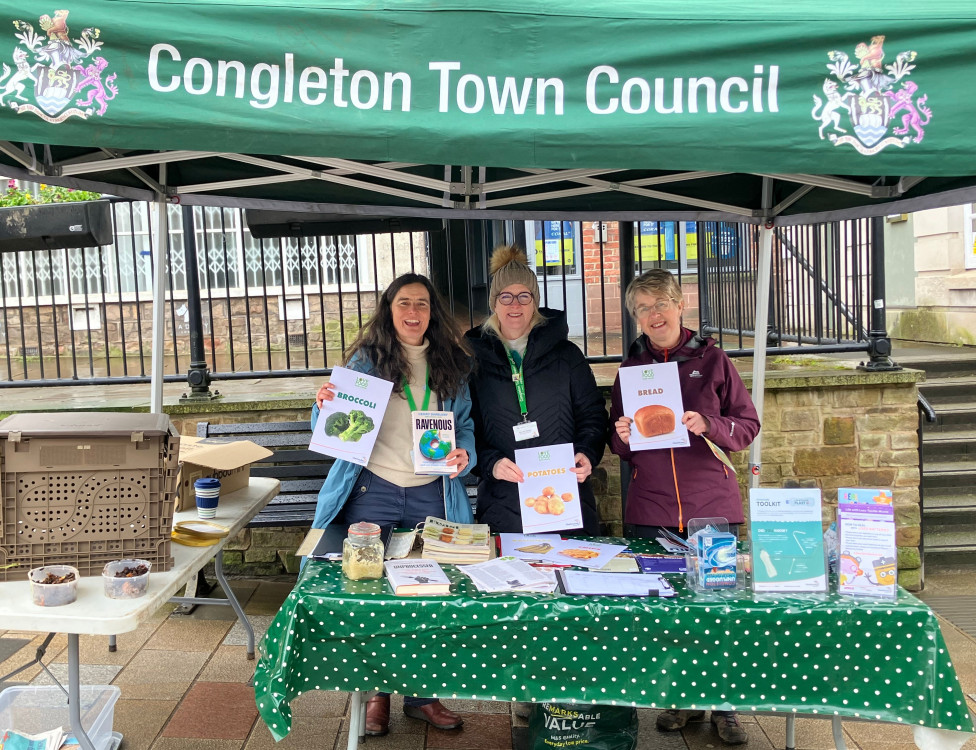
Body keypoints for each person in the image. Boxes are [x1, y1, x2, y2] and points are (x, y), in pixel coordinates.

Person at [311, 272, 474, 737]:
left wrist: (465, 454)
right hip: (374, 489)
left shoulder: (453, 363)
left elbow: (465, 430)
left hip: (431, 492)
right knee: (373, 595)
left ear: (432, 312)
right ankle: (376, 694)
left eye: (422, 304)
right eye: (404, 303)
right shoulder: (367, 360)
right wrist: (323, 404)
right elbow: (334, 421)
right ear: (390, 308)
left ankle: (422, 695)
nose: (413, 312)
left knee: (428, 593)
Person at [609, 268, 760, 746]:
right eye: (643, 308)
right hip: (651, 510)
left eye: (660, 304)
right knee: (668, 611)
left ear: (680, 305)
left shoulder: (714, 361)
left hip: (711, 506)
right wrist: (623, 437)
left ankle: (725, 705)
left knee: (720, 608)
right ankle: (680, 696)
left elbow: (747, 427)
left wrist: (709, 424)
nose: (653, 315)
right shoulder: (630, 371)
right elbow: (623, 447)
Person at [465, 245, 608, 536]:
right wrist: (490, 464)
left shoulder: (567, 356)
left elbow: (592, 414)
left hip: (566, 499)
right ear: (494, 303)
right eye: (505, 296)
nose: (514, 305)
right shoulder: (474, 361)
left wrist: (586, 453)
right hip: (504, 503)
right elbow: (467, 428)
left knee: (570, 576)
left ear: (535, 302)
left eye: (524, 296)